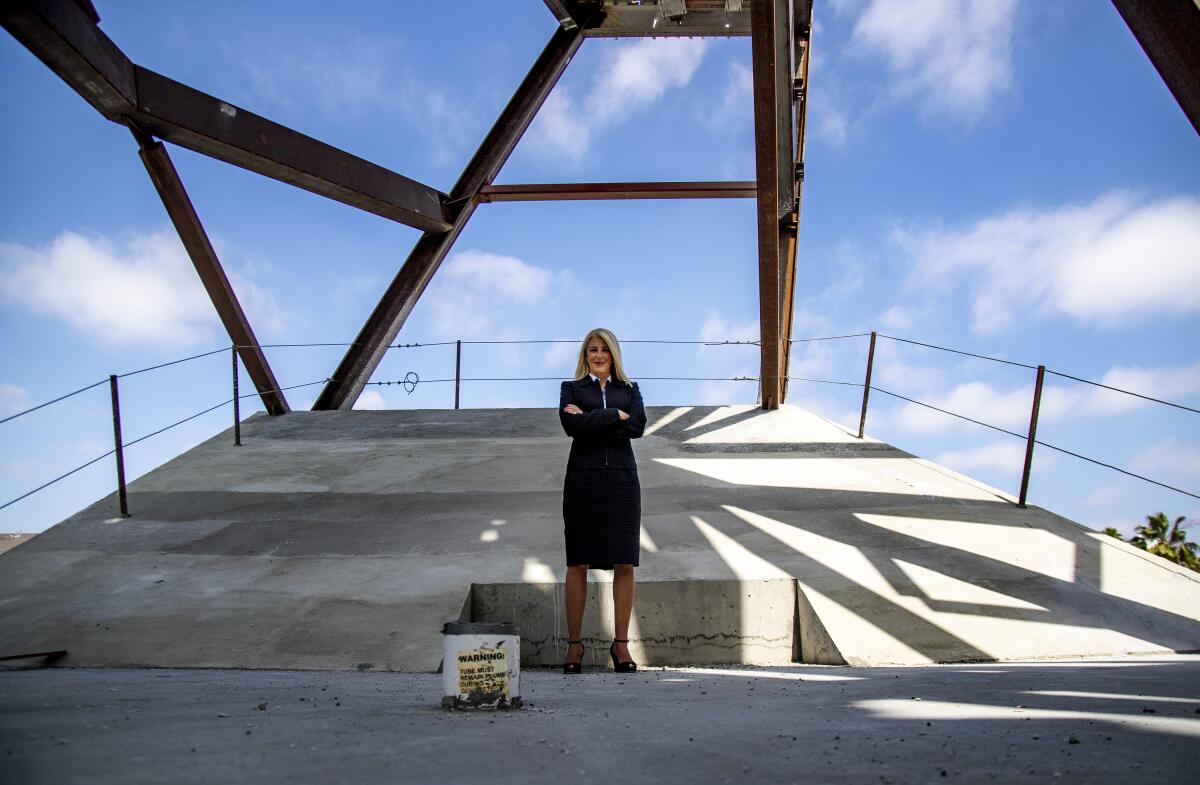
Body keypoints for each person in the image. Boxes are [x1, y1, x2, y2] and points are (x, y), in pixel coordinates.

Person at [558, 328, 647, 674]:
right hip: (583, 480)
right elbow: (570, 426)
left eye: (604, 350)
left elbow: (637, 426)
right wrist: (615, 417)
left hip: (623, 481)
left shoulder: (630, 390)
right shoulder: (571, 388)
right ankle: (574, 646)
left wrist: (591, 419)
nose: (598, 355)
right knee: (577, 561)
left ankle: (621, 646)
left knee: (625, 562)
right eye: (592, 349)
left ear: (613, 355)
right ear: (585, 354)